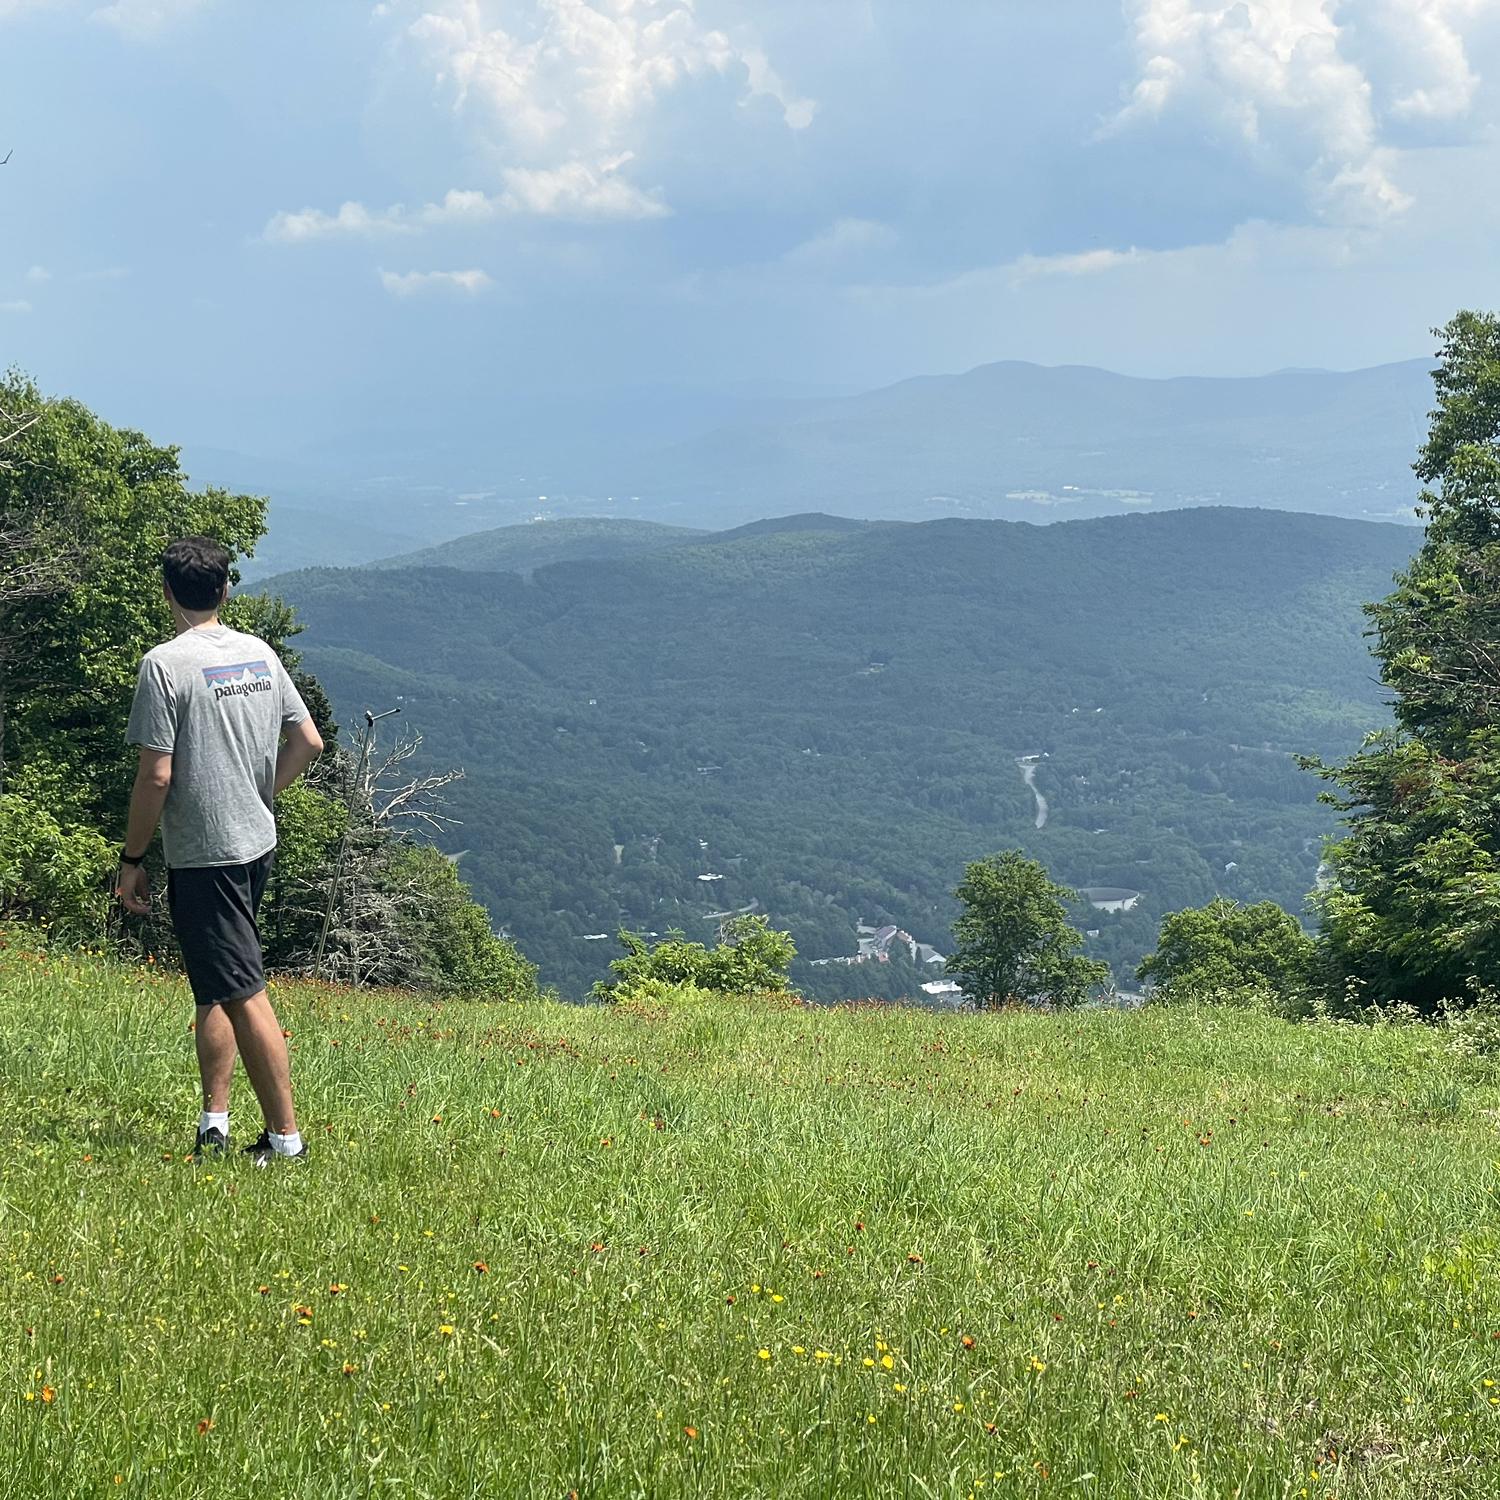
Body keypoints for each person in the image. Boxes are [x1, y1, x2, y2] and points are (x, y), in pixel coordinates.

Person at [116, 536, 325, 1165]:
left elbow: (156, 775)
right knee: (215, 983)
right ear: (226, 589)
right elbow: (308, 741)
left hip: (206, 851)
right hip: (254, 841)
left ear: (167, 592)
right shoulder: (257, 652)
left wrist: (132, 859)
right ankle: (215, 1119)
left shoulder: (165, 664)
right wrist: (261, 794)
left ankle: (285, 1140)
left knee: (241, 988)